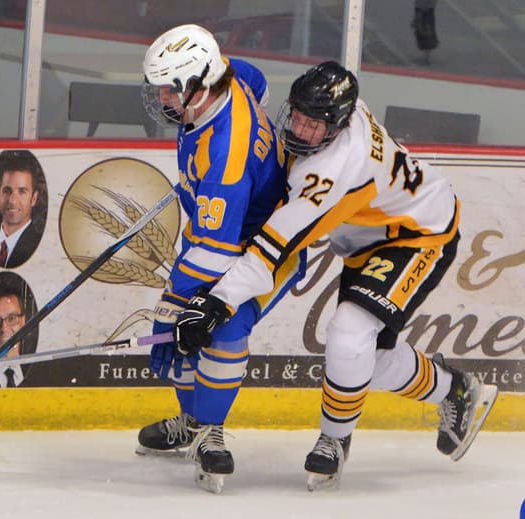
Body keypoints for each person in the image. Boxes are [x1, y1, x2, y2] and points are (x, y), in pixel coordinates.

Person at [173, 60, 499, 491]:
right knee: (367, 359)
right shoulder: (342, 112)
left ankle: (336, 439)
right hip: (367, 237)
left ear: (338, 127)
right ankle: (456, 390)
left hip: (418, 233)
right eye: (299, 116)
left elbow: (273, 250)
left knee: (350, 334)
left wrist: (217, 302)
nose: (300, 130)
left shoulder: (330, 171)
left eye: (314, 125)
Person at [136, 24, 306, 493]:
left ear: (197, 84)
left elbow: (215, 252)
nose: (163, 97)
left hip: (264, 250)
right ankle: (192, 423)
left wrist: (174, 304)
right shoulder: (230, 76)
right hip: (222, 229)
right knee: (185, 322)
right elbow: (260, 81)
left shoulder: (225, 158)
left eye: (170, 88)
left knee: (214, 326)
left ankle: (208, 428)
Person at [0, 150, 46, 268]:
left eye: (22, 192)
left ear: (34, 198)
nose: (12, 201)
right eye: (7, 191)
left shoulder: (40, 247)